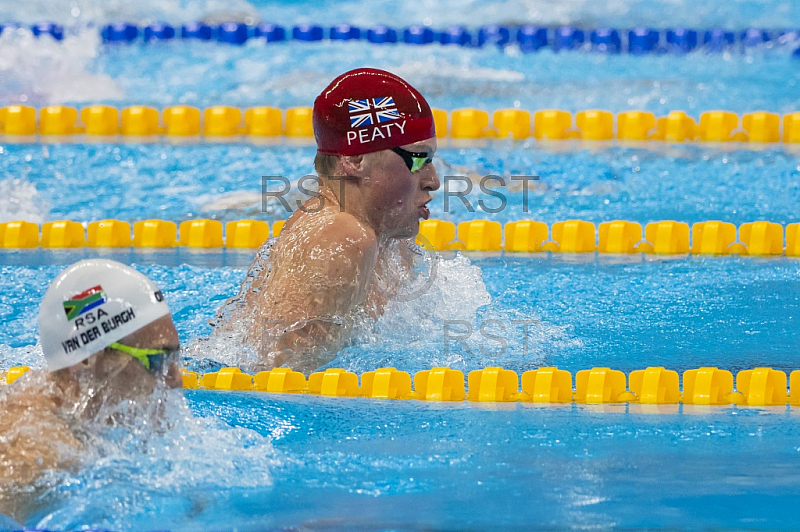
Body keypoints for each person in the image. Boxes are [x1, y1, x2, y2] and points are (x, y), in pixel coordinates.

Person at [219, 68, 440, 372]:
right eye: (418, 159)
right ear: (355, 160)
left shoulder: (382, 234)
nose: (433, 181)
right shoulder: (343, 237)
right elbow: (281, 377)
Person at [0, 259, 181, 523]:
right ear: (86, 360)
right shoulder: (32, 455)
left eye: (177, 358)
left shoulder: (75, 421)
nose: (176, 379)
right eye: (158, 361)